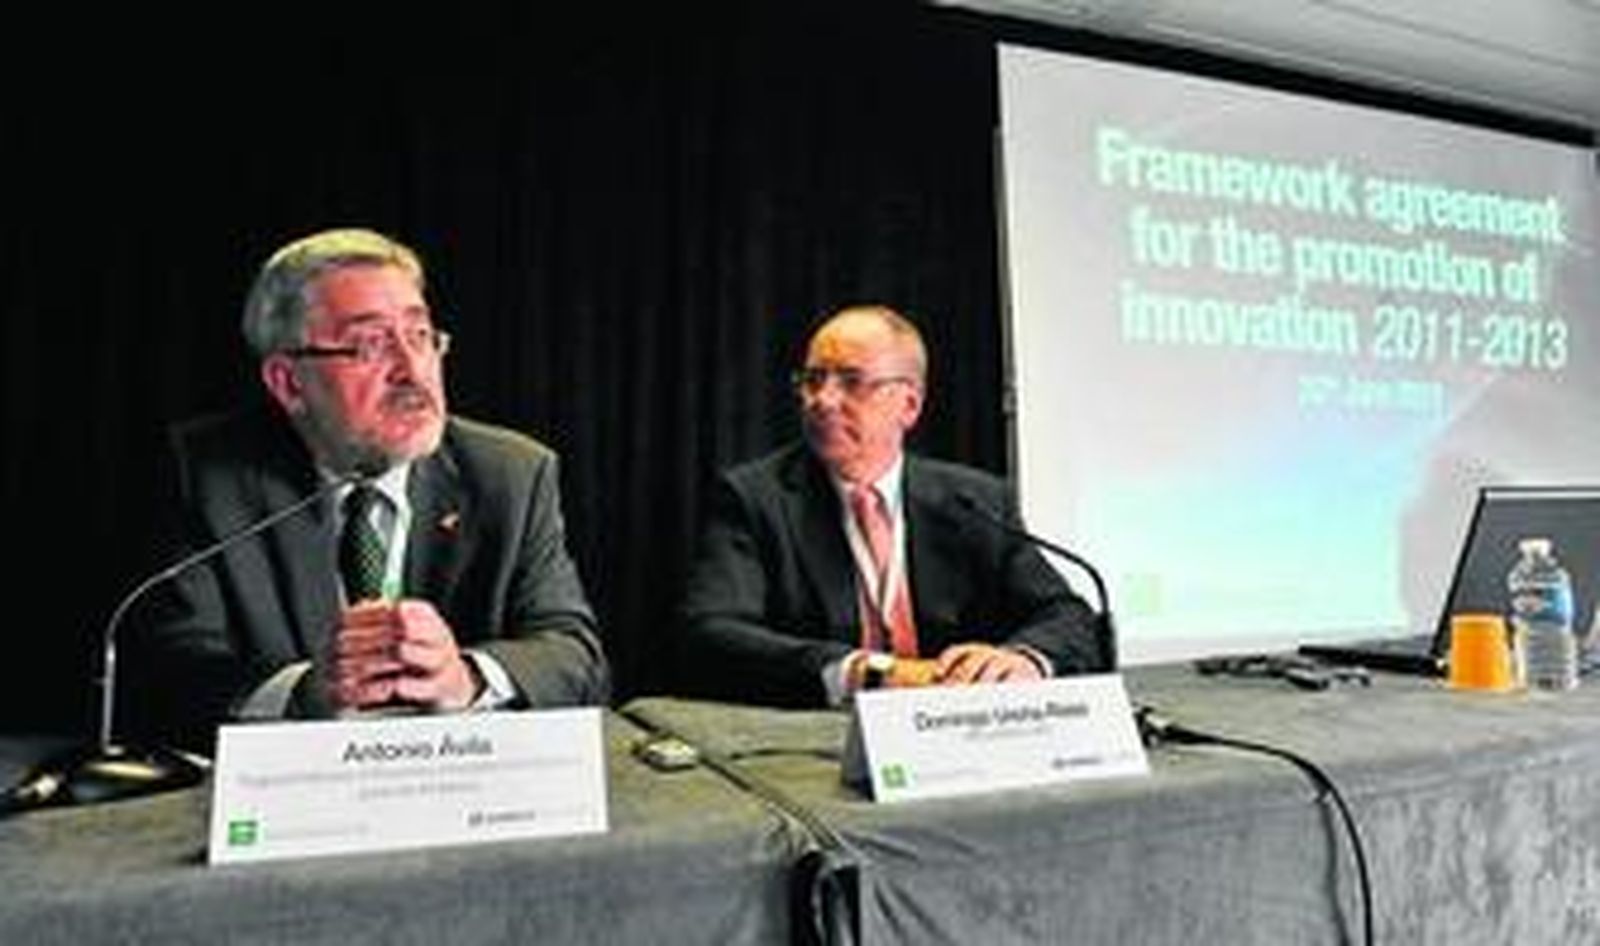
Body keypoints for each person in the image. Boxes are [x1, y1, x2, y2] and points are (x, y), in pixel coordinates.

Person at [124, 228, 607, 752]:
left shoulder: (510, 474)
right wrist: (302, 692)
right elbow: (164, 674)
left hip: (460, 790)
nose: (411, 370)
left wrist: (465, 678)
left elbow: (575, 657)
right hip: (288, 798)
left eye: (420, 336)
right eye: (370, 345)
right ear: (288, 382)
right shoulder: (206, 475)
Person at [676, 304, 1107, 707]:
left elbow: (1067, 615)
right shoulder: (755, 497)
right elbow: (712, 632)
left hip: (960, 733)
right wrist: (868, 672)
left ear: (909, 405)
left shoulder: (974, 500)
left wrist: (1024, 661)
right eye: (812, 379)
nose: (822, 400)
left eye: (850, 381)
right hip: (816, 742)